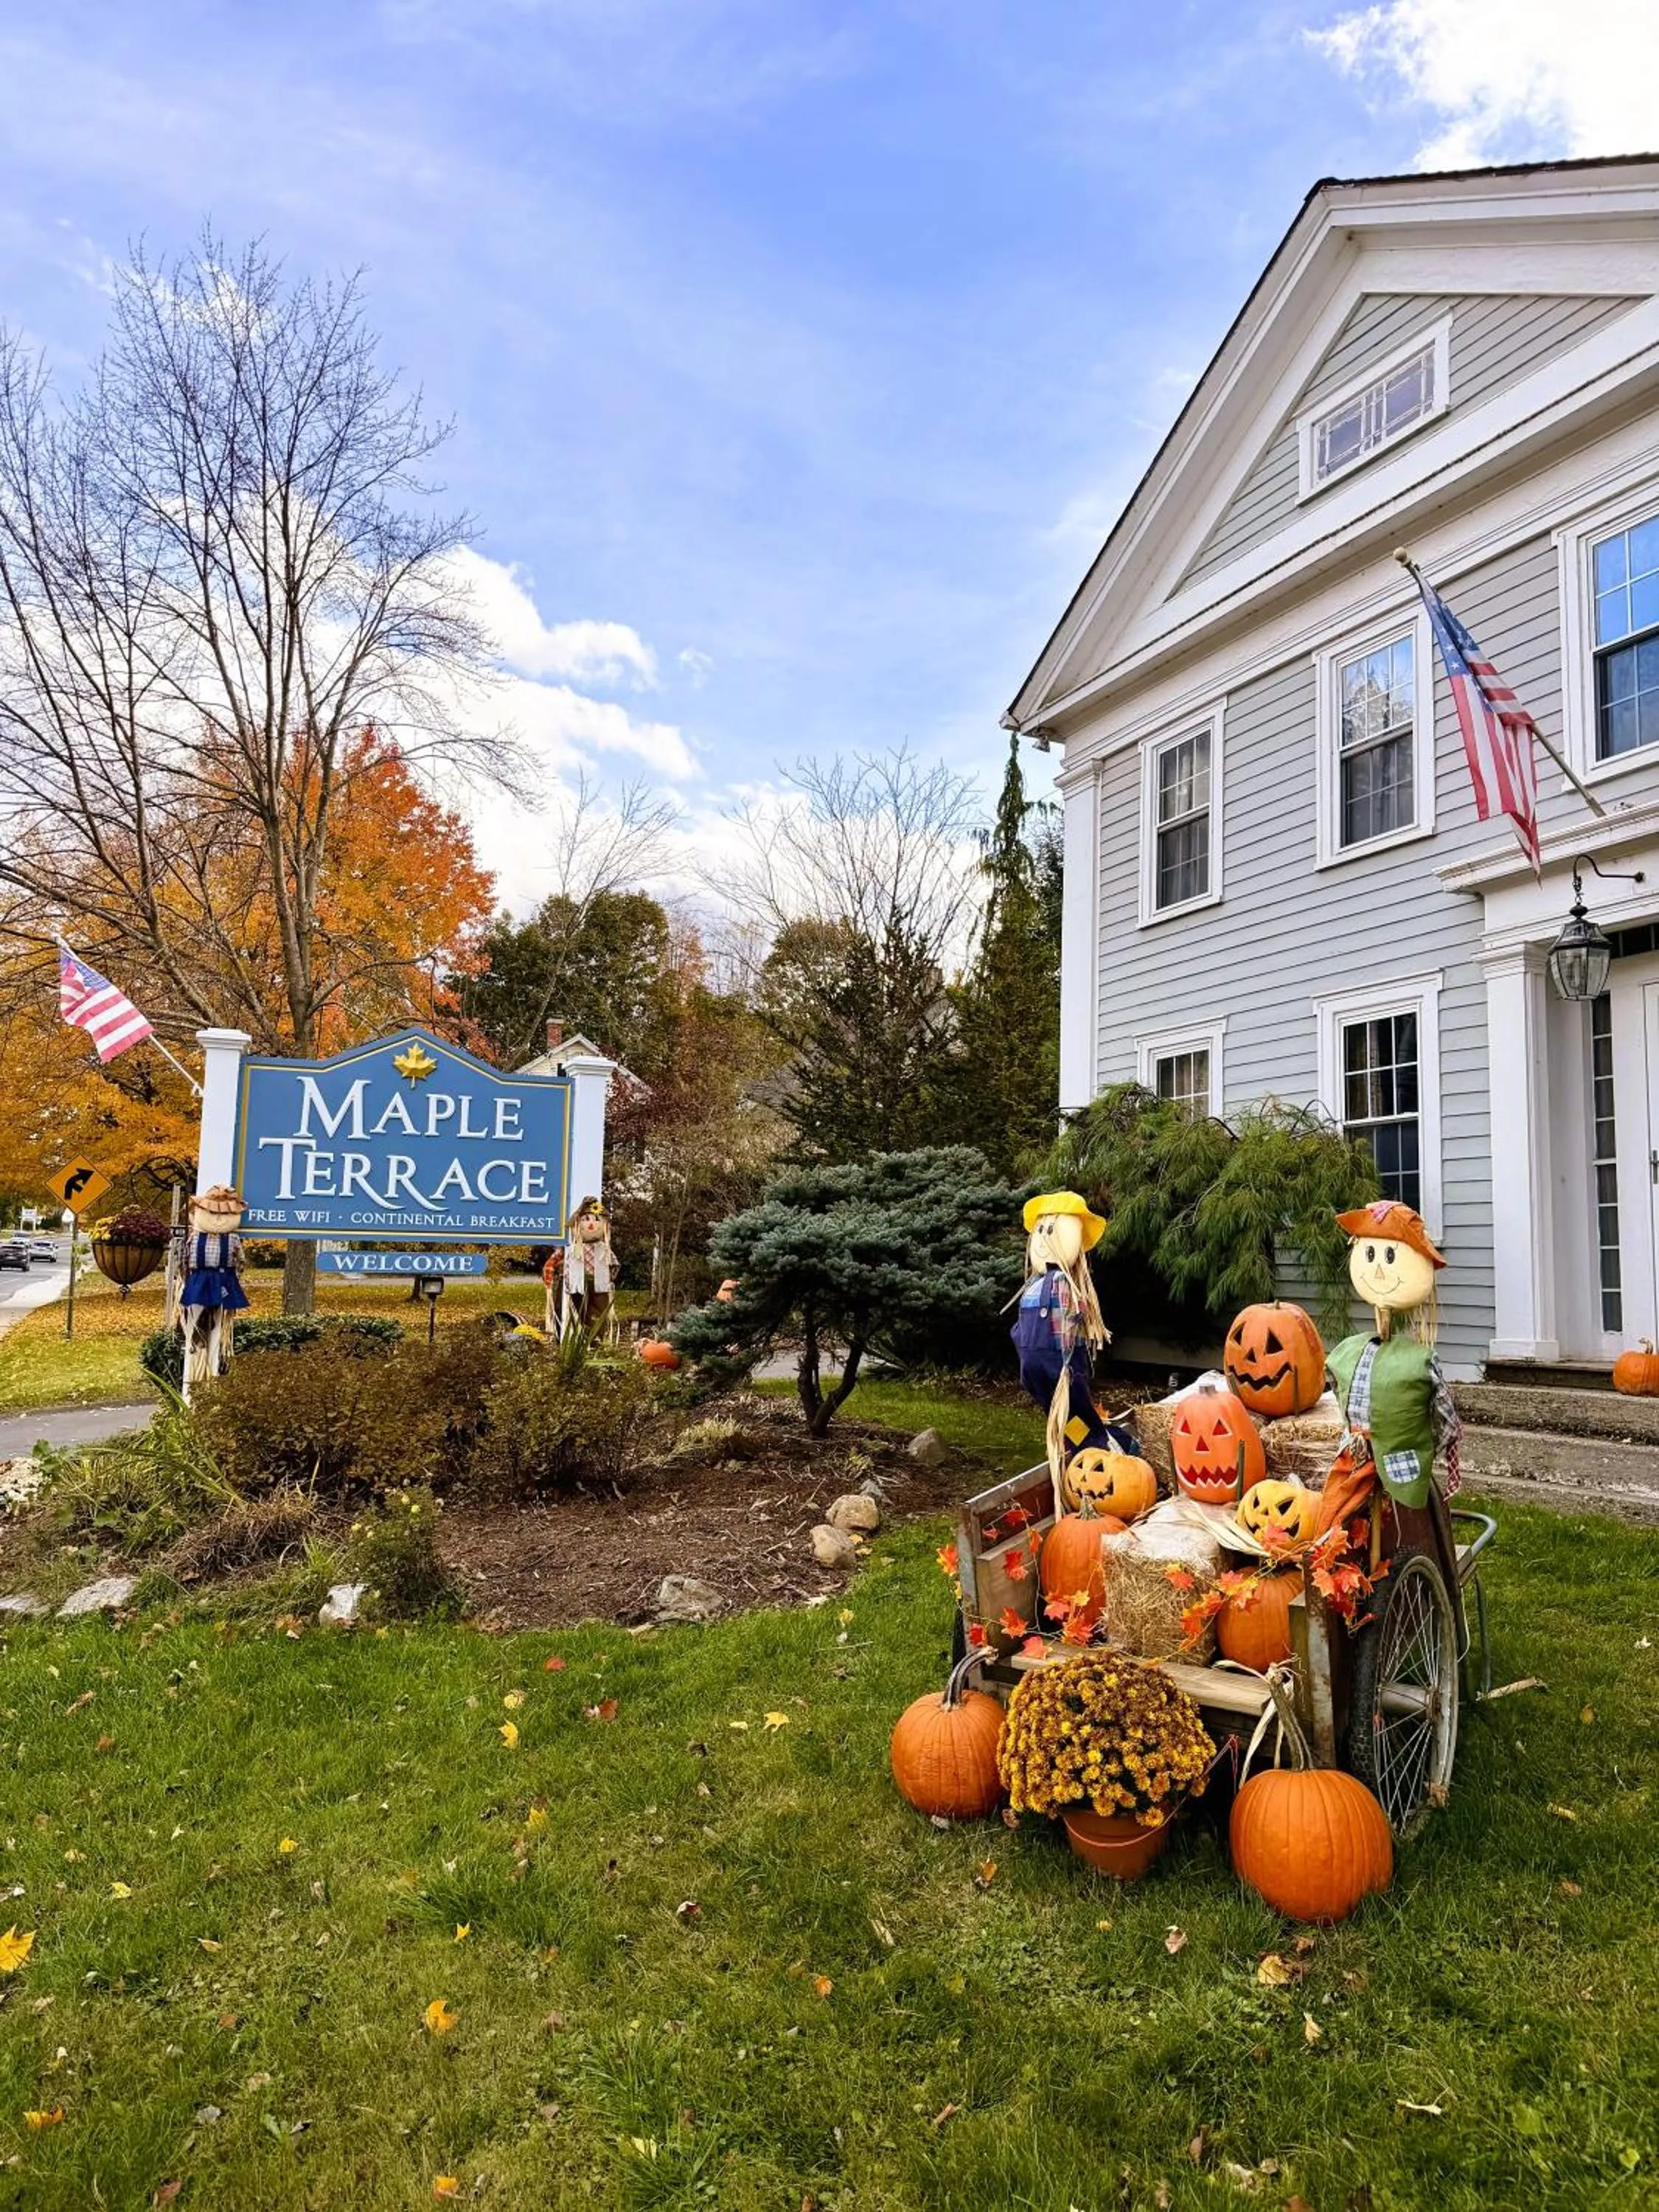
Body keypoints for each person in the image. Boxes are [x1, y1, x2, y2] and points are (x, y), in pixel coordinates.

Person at [1324, 1199, 1460, 1512]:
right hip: (1352, 1457)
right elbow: (1336, 1389)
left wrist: (1425, 1447)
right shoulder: (1347, 1351)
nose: (1379, 1269)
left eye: (1389, 1256)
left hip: (1401, 1461)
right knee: (1337, 1518)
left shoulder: (1419, 1360)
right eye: (1371, 1255)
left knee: (1400, 1519)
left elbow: (1446, 1421)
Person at [1011, 1191, 1136, 1505]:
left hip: (1053, 1366)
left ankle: (1101, 1448)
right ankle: (1086, 1447)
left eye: (1049, 1231)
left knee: (1072, 1412)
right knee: (1069, 1416)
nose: (1043, 1239)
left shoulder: (1055, 1283)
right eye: (1040, 1230)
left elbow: (1068, 1322)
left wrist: (1062, 1361)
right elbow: (1031, 1325)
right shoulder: (1040, 1283)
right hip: (1041, 1367)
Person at [178, 1184, 249, 1399]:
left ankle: (212, 1367)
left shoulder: (233, 1239)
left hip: (223, 1280)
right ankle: (195, 1363)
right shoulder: (193, 1237)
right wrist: (185, 1279)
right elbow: (183, 1261)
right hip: (198, 1281)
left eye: (225, 1214)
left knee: (219, 1325)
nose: (218, 1219)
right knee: (195, 1320)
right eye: (212, 1213)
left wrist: (234, 1277)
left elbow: (240, 1261)